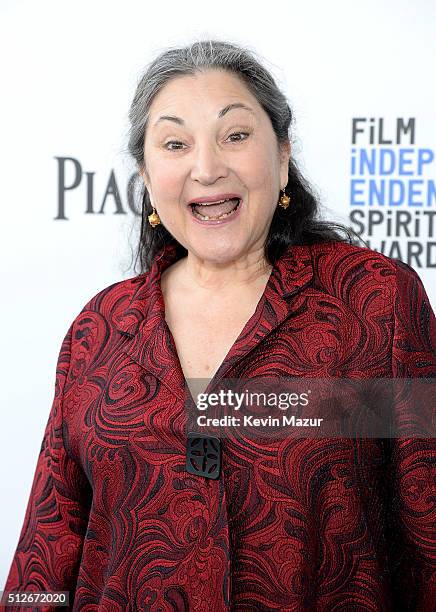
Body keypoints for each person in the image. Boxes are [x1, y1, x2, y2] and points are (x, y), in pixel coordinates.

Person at [3, 39, 435, 611]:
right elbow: (48, 553)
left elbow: (427, 528)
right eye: (176, 144)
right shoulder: (101, 327)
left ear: (282, 157)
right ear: (147, 178)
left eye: (235, 135)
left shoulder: (375, 300)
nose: (206, 168)